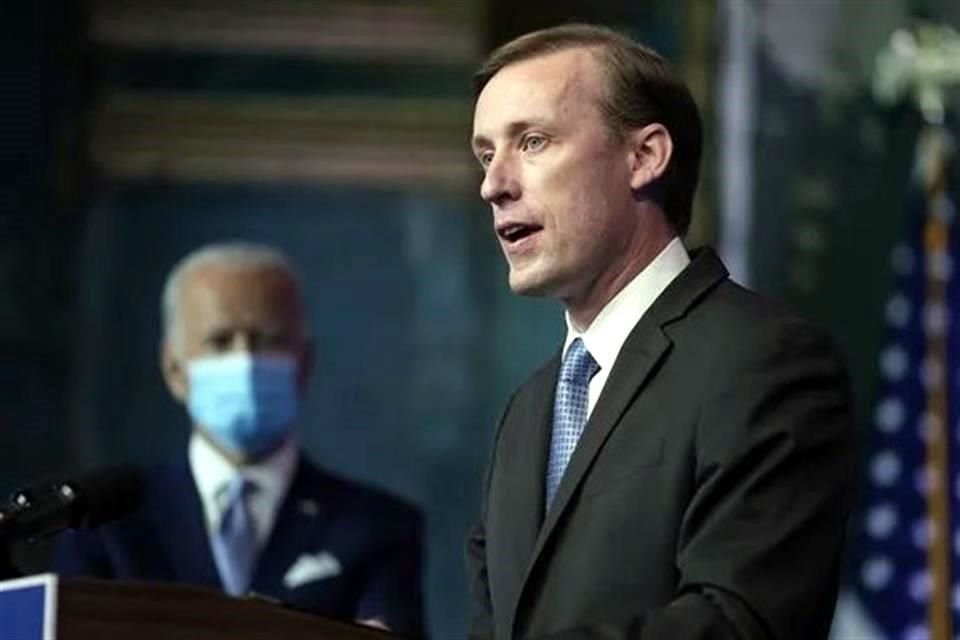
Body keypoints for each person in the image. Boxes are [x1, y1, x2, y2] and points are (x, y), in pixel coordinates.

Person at [467, 24, 854, 640]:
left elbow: (739, 623)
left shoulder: (763, 361)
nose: (494, 184)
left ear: (644, 156)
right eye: (487, 154)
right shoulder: (527, 413)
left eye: (533, 142)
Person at [54, 241, 425, 635]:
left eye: (269, 341)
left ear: (304, 363)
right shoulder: (106, 526)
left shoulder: (378, 528)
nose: (245, 361)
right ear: (174, 369)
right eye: (220, 341)